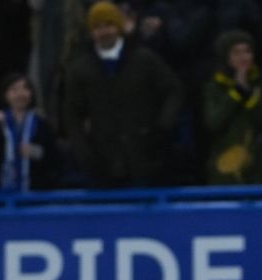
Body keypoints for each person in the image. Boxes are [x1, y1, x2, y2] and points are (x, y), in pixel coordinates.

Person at [61, 0, 183, 188]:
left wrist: (162, 129)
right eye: (97, 27)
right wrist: (84, 152)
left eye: (108, 25)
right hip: (102, 164)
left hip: (147, 159)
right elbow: (72, 114)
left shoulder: (144, 59)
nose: (104, 32)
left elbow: (173, 91)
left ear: (118, 26)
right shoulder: (80, 69)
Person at [202, 32, 262, 183]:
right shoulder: (215, 87)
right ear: (226, 57)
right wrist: (236, 93)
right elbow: (213, 123)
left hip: (259, 166)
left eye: (247, 51)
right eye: (236, 52)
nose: (243, 57)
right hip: (224, 166)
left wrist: (251, 99)